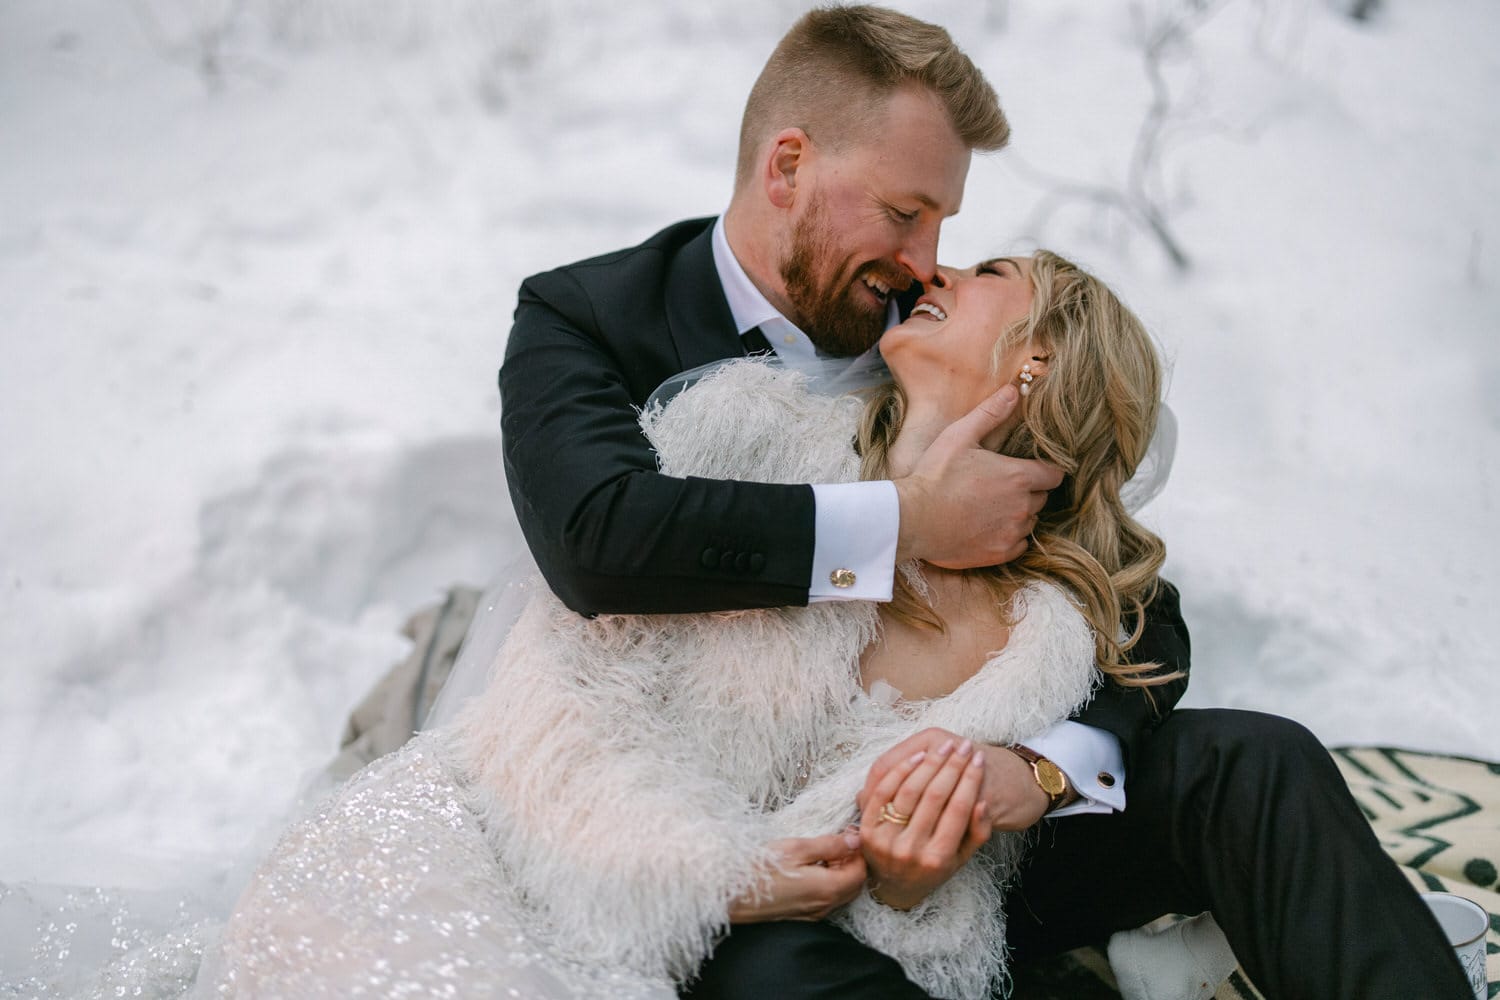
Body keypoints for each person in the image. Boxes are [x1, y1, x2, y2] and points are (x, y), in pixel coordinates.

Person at [497, 6, 1472, 998]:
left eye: (947, 228)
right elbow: (596, 541)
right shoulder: (591, 321)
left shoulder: (916, 331)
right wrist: (911, 521)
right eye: (905, 212)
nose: (925, 262)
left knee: (1252, 760)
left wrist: (1037, 772)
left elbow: (1126, 600)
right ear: (787, 167)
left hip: (978, 839)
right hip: (736, 831)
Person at [215, 248, 1187, 1000]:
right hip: (531, 854)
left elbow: (935, 908)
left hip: (787, 958)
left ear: (1037, 360)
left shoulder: (1048, 638)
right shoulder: (750, 435)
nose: (936, 268)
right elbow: (568, 699)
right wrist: (706, 874)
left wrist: (912, 877)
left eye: (987, 274)